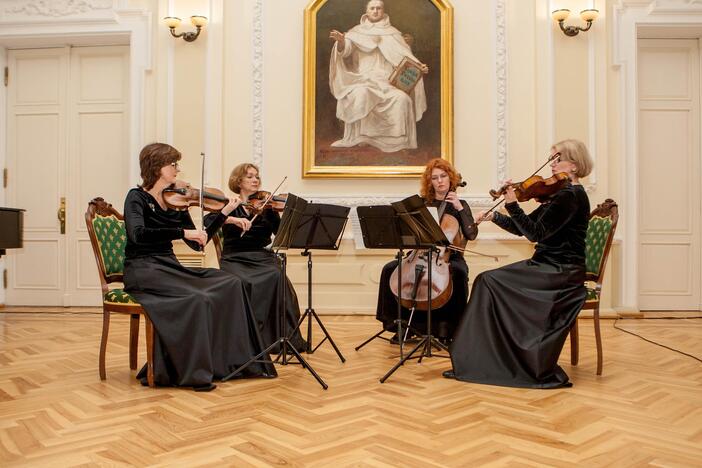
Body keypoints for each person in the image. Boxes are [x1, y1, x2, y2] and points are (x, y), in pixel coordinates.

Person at [123, 143, 276, 391]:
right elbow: (138, 235)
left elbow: (198, 242)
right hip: (143, 269)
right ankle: (189, 371)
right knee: (198, 297)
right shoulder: (136, 197)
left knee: (230, 283)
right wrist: (181, 231)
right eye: (172, 164)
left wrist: (225, 213)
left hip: (169, 266)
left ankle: (230, 363)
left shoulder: (177, 201)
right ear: (156, 166)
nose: (177, 169)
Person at [444, 139, 593, 389]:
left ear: (575, 166)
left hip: (560, 272)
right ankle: (486, 359)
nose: (552, 164)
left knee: (488, 281)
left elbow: (535, 233)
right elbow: (525, 228)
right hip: (546, 265)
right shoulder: (560, 194)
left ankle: (491, 360)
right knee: (488, 281)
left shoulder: (571, 196)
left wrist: (512, 203)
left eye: (557, 159)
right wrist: (496, 216)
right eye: (552, 158)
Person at [375, 158, 478, 343]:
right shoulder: (421, 204)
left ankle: (449, 328)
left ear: (451, 178)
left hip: (447, 257)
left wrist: (459, 208)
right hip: (419, 254)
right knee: (390, 269)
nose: (440, 181)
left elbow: (471, 234)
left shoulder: (460, 204)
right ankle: (402, 325)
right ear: (429, 182)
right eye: (435, 177)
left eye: (443, 176)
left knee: (459, 273)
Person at [205, 163, 305, 351]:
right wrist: (231, 218)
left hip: (262, 257)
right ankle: (248, 339)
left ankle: (278, 339)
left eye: (257, 176)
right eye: (249, 176)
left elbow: (282, 233)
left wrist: (291, 214)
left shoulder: (267, 207)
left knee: (276, 276)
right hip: (235, 258)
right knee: (241, 281)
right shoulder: (229, 205)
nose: (255, 179)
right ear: (238, 181)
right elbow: (208, 222)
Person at [329, 0, 429, 152]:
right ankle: (361, 137)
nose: (375, 11)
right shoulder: (356, 33)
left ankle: (397, 141)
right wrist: (342, 42)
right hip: (363, 80)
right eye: (372, 8)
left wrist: (419, 67)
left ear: (383, 11)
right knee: (361, 94)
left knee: (402, 99)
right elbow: (346, 50)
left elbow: (406, 58)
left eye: (379, 8)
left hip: (388, 83)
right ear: (366, 11)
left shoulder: (394, 33)